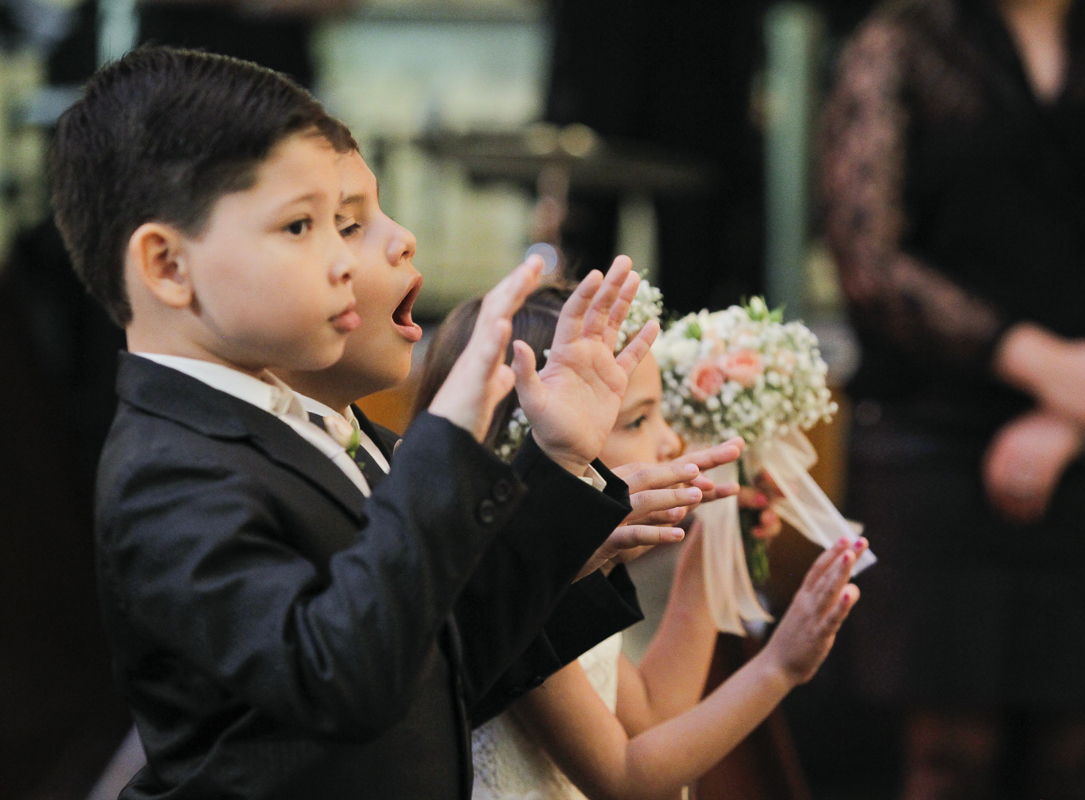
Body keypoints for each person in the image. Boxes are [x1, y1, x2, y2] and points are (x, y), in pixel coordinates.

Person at [49, 47, 683, 799]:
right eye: (302, 226)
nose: (344, 261)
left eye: (339, 224)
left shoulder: (312, 426)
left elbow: (440, 661)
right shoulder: (167, 471)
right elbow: (338, 680)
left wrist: (556, 463)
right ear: (167, 266)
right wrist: (445, 445)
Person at [819, 0, 1085, 797]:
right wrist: (1043, 366)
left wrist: (1084, 403)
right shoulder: (901, 42)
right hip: (932, 435)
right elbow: (867, 257)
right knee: (945, 755)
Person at [273, 148, 750, 721]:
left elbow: (455, 670)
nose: (405, 237)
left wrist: (583, 542)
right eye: (347, 225)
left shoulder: (382, 449)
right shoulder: (249, 474)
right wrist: (781, 669)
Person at [415, 283, 867, 800]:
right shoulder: (511, 592)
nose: (671, 440)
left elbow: (652, 712)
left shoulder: (567, 570)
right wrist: (779, 667)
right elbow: (627, 777)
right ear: (534, 441)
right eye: (637, 420)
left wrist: (716, 543)